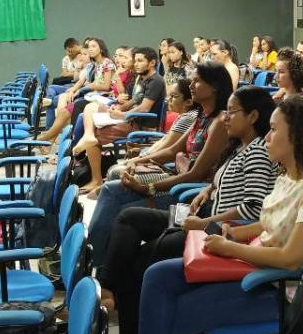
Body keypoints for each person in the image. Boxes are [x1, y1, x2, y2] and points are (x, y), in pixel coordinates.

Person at [136, 95, 303, 334]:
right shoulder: (288, 177)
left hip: (283, 289)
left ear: (298, 136)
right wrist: (234, 233)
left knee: (168, 312)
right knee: (157, 276)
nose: (267, 138)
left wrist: (230, 249)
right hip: (255, 267)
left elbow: (292, 259)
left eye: (273, 130)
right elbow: (267, 223)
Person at [99, 86, 278, 334]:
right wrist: (209, 190)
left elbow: (253, 208)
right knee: (129, 217)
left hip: (219, 232)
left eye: (232, 111)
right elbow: (231, 184)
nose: (226, 117)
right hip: (206, 219)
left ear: (253, 116)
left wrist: (205, 223)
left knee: (137, 267)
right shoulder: (241, 147)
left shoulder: (259, 152)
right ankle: (107, 285)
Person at [88, 62, 233, 266]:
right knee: (112, 190)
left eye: (197, 81)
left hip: (190, 191)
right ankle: (96, 259)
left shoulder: (220, 122)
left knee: (117, 200)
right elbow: (173, 150)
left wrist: (148, 187)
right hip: (176, 177)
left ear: (215, 86)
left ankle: (95, 261)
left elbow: (196, 174)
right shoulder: (201, 116)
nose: (191, 85)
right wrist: (138, 160)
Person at [72, 47, 166, 193]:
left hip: (141, 126)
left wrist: (122, 115)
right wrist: (118, 108)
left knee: (97, 134)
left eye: (140, 61)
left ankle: (96, 180)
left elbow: (145, 108)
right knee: (91, 107)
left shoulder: (156, 81)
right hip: (130, 119)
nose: (136, 64)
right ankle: (88, 135)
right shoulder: (141, 78)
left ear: (152, 62)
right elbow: (134, 101)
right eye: (135, 60)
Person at [38, 37, 115, 146]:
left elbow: (106, 86)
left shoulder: (107, 63)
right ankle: (48, 139)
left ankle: (50, 139)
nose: (90, 49)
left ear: (101, 49)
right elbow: (81, 81)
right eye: (89, 47)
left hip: (101, 99)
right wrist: (74, 90)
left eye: (94, 46)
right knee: (65, 110)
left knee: (73, 106)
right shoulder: (93, 64)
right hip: (91, 96)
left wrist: (88, 87)